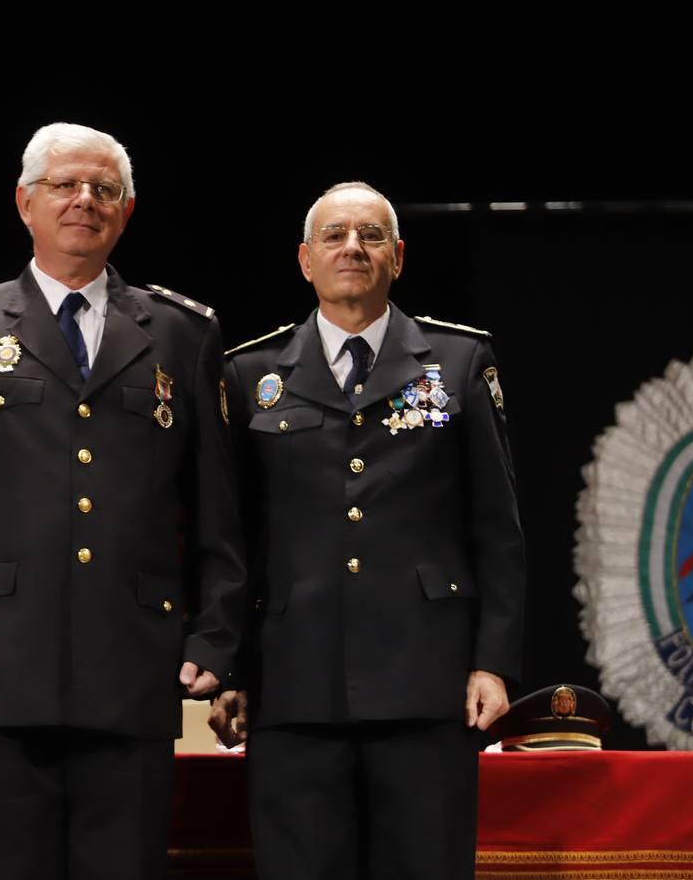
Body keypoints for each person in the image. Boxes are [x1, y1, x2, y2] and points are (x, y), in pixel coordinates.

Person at [0, 122, 246, 880]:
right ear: (25, 202)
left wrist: (215, 636)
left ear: (127, 211)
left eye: (104, 189)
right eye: (65, 185)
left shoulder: (182, 331)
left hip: (135, 661)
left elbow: (217, 504)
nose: (85, 200)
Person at [214, 182, 526, 879]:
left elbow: (496, 529)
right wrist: (229, 666)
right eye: (334, 235)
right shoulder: (252, 372)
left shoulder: (460, 363)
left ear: (398, 257)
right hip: (292, 682)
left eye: (370, 234)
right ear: (304, 259)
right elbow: (231, 537)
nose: (352, 247)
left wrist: (492, 661)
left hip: (427, 679)